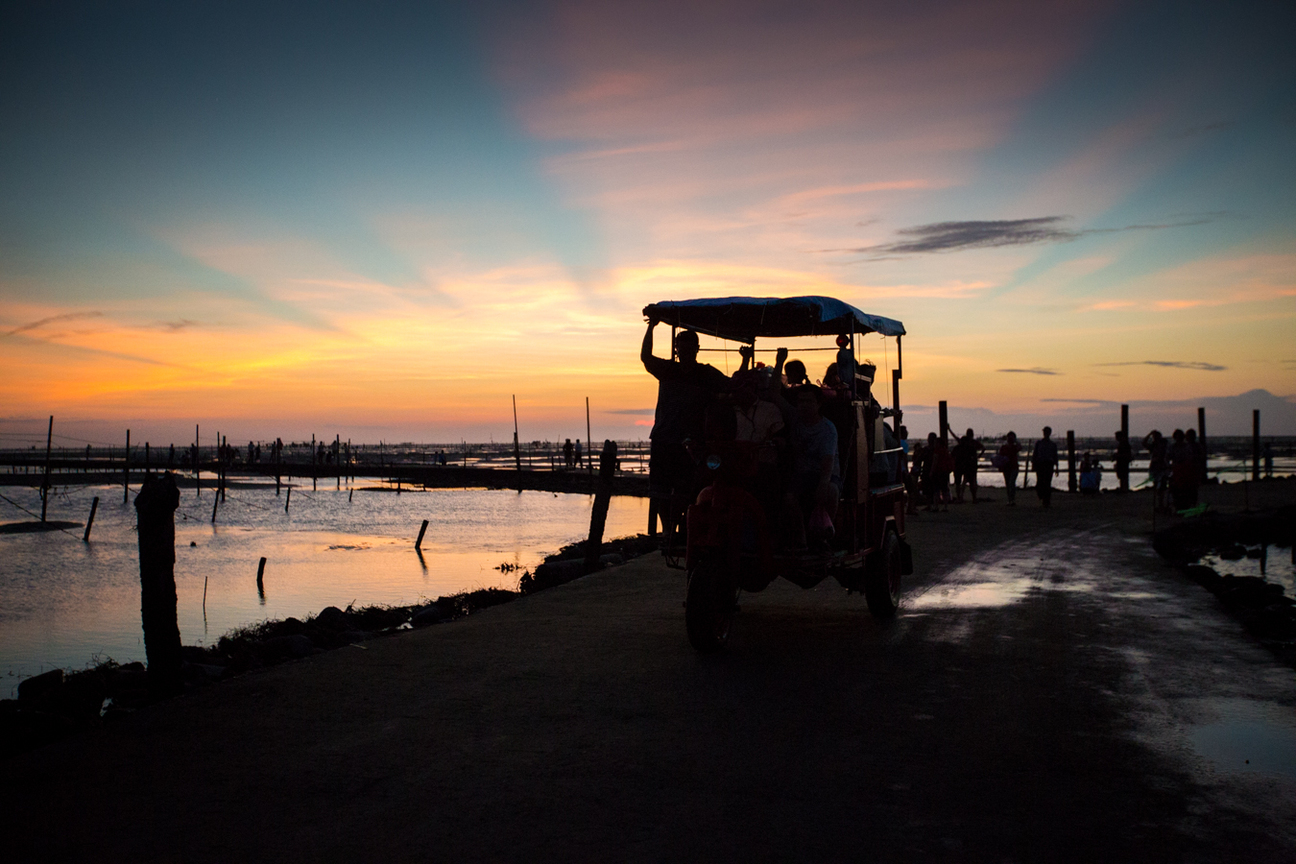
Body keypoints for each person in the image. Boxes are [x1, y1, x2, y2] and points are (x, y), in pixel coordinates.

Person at [641, 315, 728, 500]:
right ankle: (666, 520)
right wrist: (651, 327)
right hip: (664, 438)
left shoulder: (706, 373)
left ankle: (681, 518)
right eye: (682, 349)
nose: (685, 353)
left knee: (686, 492)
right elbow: (646, 357)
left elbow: (732, 386)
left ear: (697, 349)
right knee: (659, 491)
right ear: (676, 350)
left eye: (689, 349)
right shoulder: (668, 369)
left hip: (692, 442)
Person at [785, 385, 840, 550]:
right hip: (801, 475)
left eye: (809, 401)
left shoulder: (827, 429)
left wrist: (823, 484)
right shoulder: (794, 419)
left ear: (818, 403)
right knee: (788, 497)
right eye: (801, 401)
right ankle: (801, 539)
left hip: (825, 474)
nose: (804, 405)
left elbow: (828, 461)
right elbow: (774, 395)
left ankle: (824, 536)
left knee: (831, 491)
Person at [952, 428, 985, 503]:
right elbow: (982, 449)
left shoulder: (959, 447)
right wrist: (978, 457)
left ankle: (960, 497)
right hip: (969, 466)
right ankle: (973, 498)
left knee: (959, 483)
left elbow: (952, 456)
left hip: (960, 466)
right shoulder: (972, 445)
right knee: (972, 482)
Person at [1167, 429, 1197, 511]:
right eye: (1177, 437)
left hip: (1185, 469)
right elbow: (1167, 457)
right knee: (1174, 487)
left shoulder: (1187, 447)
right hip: (1176, 469)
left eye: (1180, 437)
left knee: (1188, 487)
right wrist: (1169, 466)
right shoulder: (1172, 447)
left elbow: (1190, 457)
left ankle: (1188, 504)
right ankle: (1176, 504)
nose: (1179, 439)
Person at [1142, 430, 1169, 513]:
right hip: (1155, 467)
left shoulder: (1163, 445)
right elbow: (1144, 443)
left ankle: (1161, 504)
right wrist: (1149, 434)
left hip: (1162, 467)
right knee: (1158, 486)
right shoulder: (1154, 446)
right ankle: (1160, 504)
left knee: (1161, 487)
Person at [926, 432, 953, 512]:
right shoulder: (945, 450)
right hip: (945, 472)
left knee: (936, 490)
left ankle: (936, 506)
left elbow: (935, 462)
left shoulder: (937, 451)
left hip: (938, 472)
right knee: (944, 490)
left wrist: (931, 471)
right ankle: (945, 506)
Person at [1033, 427, 1059, 508]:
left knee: (1047, 482)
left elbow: (1055, 456)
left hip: (1049, 464)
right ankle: (1041, 495)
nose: (1045, 434)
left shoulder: (1052, 445)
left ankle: (1046, 500)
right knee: (1040, 482)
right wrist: (1034, 464)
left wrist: (1057, 467)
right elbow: (1035, 454)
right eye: (1044, 432)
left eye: (1047, 432)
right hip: (1040, 464)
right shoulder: (1039, 443)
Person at [997, 431, 1021, 506]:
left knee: (1011, 482)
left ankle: (1012, 499)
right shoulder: (1003, 447)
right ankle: (1009, 499)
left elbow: (1020, 447)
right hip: (1006, 468)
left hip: (1014, 467)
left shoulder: (1015, 447)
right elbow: (1000, 457)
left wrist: (1016, 441)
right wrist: (1000, 466)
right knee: (1008, 484)